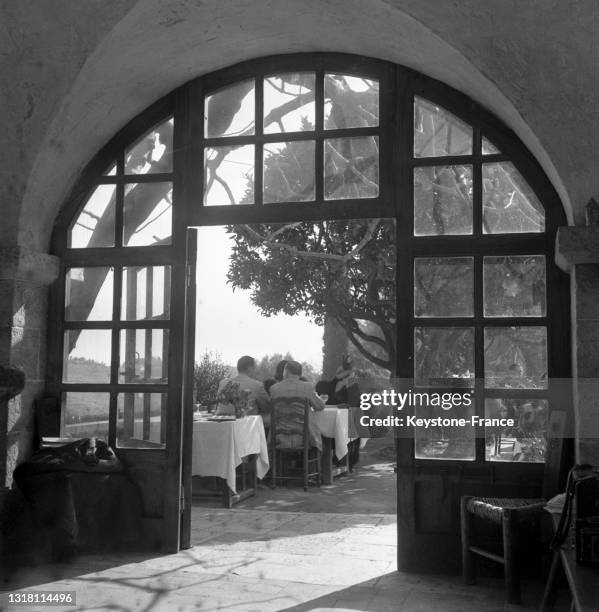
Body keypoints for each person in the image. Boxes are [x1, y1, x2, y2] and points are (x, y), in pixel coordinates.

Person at [269, 360, 325, 451]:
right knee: (323, 439)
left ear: (285, 372)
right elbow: (320, 406)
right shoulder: (307, 387)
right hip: (304, 437)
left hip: (279, 437)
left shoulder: (274, 389)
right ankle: (312, 464)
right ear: (300, 374)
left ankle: (281, 464)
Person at [216, 355, 271, 420]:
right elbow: (268, 407)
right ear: (250, 368)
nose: (255, 370)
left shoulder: (223, 382)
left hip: (220, 425)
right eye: (254, 368)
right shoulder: (257, 385)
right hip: (243, 425)